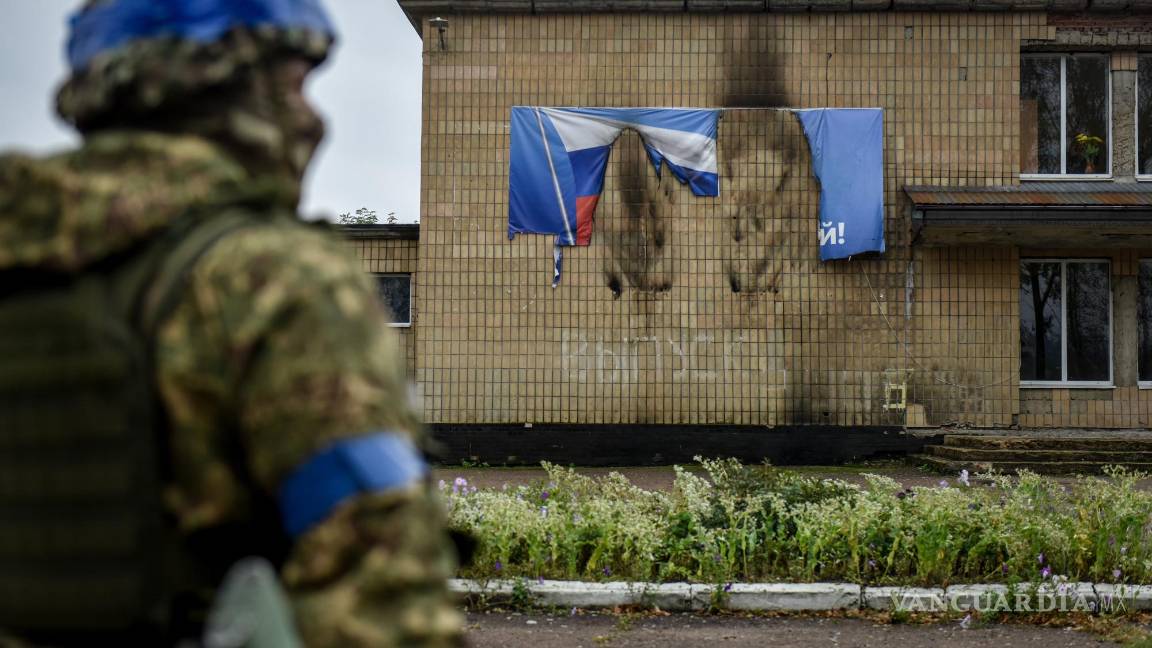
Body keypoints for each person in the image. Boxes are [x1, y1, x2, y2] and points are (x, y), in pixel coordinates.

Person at [0, 1, 464, 645]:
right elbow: (380, 590)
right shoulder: (271, 278)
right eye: (295, 86)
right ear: (224, 86)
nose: (312, 120)